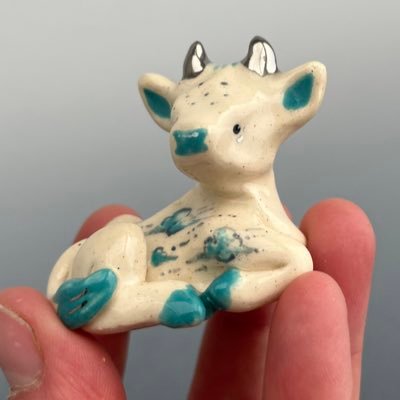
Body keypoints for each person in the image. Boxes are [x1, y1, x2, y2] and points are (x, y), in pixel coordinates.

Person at [0, 198, 375, 399]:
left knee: (305, 271)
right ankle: (139, 297)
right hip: (120, 257)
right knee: (125, 232)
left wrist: (240, 286)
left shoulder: (251, 212)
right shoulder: (201, 205)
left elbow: (294, 260)